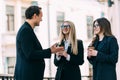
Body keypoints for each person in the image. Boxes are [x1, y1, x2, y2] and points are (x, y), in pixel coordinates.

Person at [14, 6, 64, 80]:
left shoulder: (27, 29)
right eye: (40, 16)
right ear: (35, 16)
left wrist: (50, 50)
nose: (41, 19)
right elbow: (30, 54)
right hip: (28, 76)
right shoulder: (26, 31)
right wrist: (50, 51)